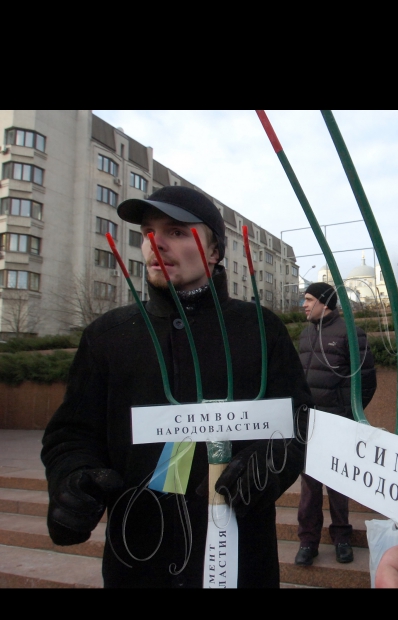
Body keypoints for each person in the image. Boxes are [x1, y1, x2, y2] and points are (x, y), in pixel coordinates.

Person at [42, 186, 313, 588]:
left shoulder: (259, 329)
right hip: (140, 556)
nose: (155, 243)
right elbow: (72, 434)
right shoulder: (108, 337)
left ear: (216, 251)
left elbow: (299, 424)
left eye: (176, 231)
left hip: (239, 554)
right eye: (147, 231)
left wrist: (268, 465)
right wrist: (74, 478)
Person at [295, 282, 377, 566]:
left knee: (338, 485)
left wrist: (347, 413)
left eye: (308, 299)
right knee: (309, 488)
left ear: (324, 302)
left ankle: (342, 538)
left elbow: (366, 381)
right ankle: (308, 542)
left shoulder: (351, 334)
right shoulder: (305, 334)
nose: (303, 305)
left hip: (337, 424)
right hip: (309, 425)